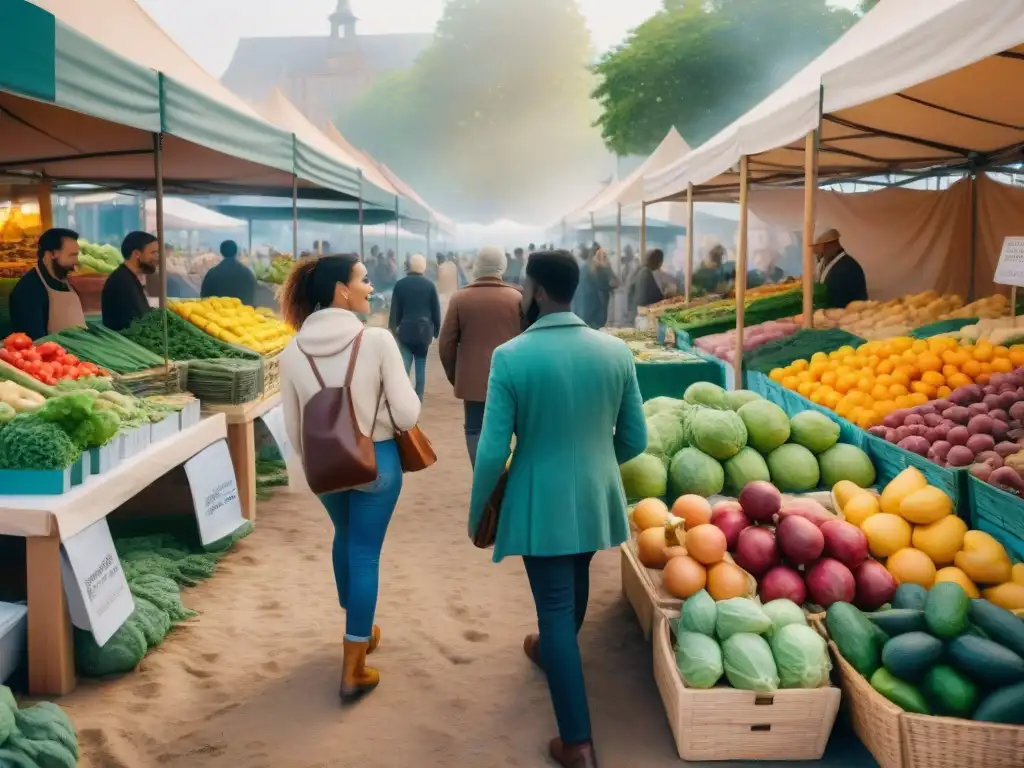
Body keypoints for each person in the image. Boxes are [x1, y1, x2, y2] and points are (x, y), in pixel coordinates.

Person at [469, 251, 646, 766]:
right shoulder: (615, 352)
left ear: (538, 292)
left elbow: (491, 448)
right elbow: (635, 438)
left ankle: (578, 743)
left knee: (553, 606)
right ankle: (551, 651)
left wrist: (479, 507)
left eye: (525, 288)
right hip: (595, 498)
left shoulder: (511, 356)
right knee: (576, 575)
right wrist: (595, 463)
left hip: (536, 498)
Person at [278, 254, 420, 703]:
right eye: (362, 279)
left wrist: (316, 461)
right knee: (364, 553)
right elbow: (407, 412)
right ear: (341, 290)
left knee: (345, 537)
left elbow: (292, 428)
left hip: (323, 465)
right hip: (376, 462)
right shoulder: (376, 340)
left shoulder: (292, 349)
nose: (369, 286)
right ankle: (353, 667)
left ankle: (357, 623)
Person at [438, 246, 522, 466]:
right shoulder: (517, 298)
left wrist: (456, 376)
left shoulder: (460, 298)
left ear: (477, 267)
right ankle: (506, 478)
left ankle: (483, 478)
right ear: (501, 267)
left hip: (474, 382)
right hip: (512, 379)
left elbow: (446, 343)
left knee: (475, 429)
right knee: (512, 428)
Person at [9, 227, 85, 340]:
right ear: (52, 254)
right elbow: (35, 342)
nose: (77, 261)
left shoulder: (63, 280)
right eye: (72, 255)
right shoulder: (27, 291)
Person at [389, 253, 441, 401]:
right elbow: (435, 309)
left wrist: (393, 328)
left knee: (404, 365)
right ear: (423, 267)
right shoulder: (430, 285)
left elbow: (395, 310)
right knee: (421, 364)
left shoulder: (400, 285)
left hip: (405, 330)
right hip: (424, 332)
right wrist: (436, 331)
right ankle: (418, 397)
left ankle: (402, 395)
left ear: (409, 266)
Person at [101, 231, 158, 331]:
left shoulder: (128, 277)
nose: (156, 257)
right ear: (136, 254)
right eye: (152, 252)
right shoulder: (122, 281)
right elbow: (135, 321)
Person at [813, 228, 867, 309]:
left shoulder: (848, 267)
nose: (815, 252)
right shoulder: (828, 261)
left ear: (825, 245)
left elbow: (836, 299)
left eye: (816, 247)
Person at [201, 240, 257, 306]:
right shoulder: (247, 273)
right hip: (242, 314)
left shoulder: (212, 273)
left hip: (218, 313)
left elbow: (204, 298)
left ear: (221, 252)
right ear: (236, 252)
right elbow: (252, 297)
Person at [577, 247, 618, 330]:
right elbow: (614, 283)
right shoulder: (598, 269)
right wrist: (608, 267)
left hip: (584, 311)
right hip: (595, 310)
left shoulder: (584, 268)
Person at [627, 248, 667, 322]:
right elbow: (651, 296)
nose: (661, 265)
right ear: (657, 262)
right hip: (641, 315)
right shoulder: (645, 273)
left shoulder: (640, 269)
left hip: (633, 313)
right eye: (661, 262)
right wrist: (665, 295)